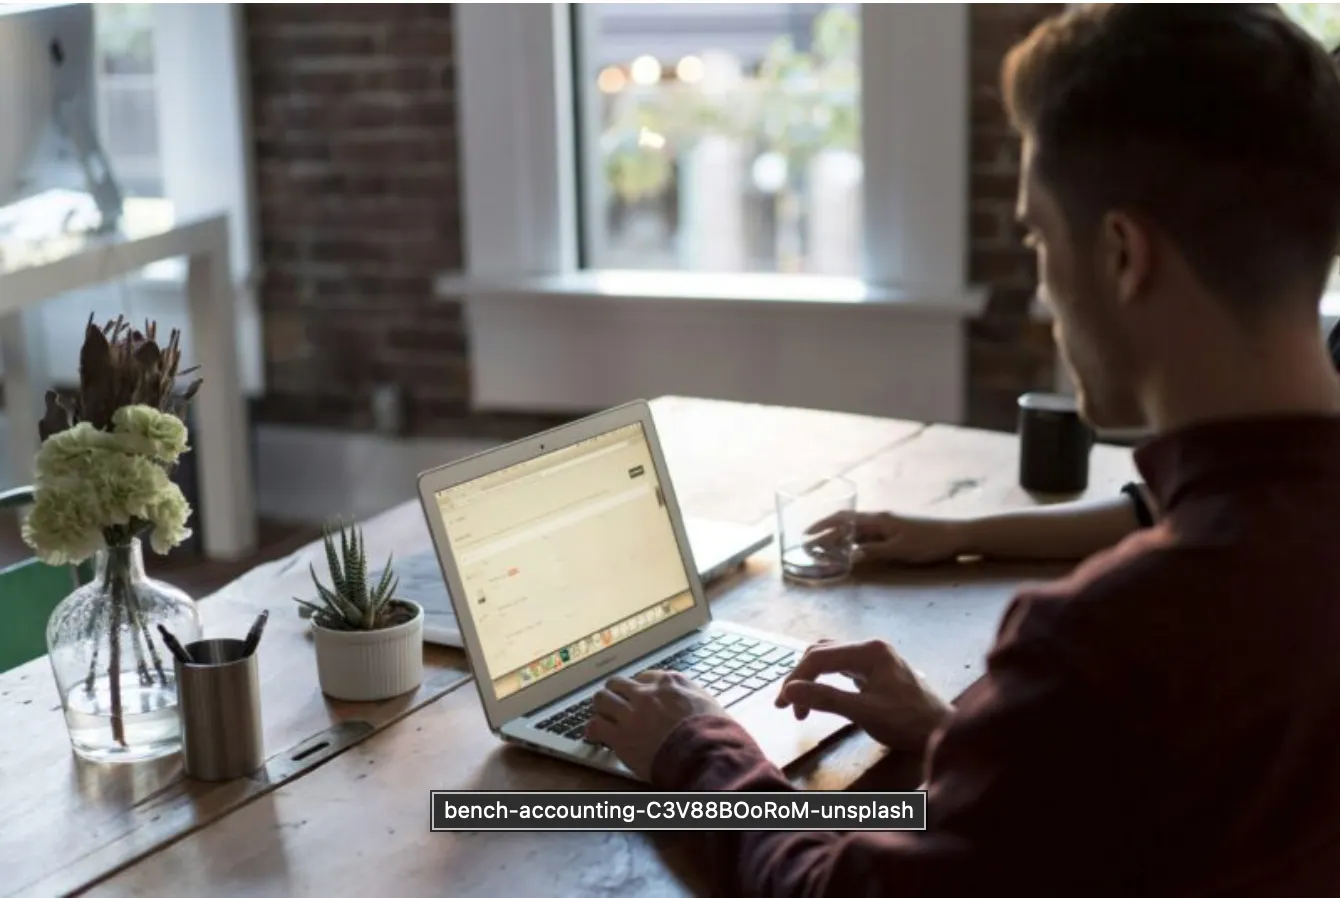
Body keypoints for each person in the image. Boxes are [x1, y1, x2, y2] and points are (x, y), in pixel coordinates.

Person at [584, 5, 1340, 896]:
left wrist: (698, 750)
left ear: (1122, 254)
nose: (1043, 294)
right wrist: (969, 741)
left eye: (1037, 237)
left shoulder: (1109, 639)